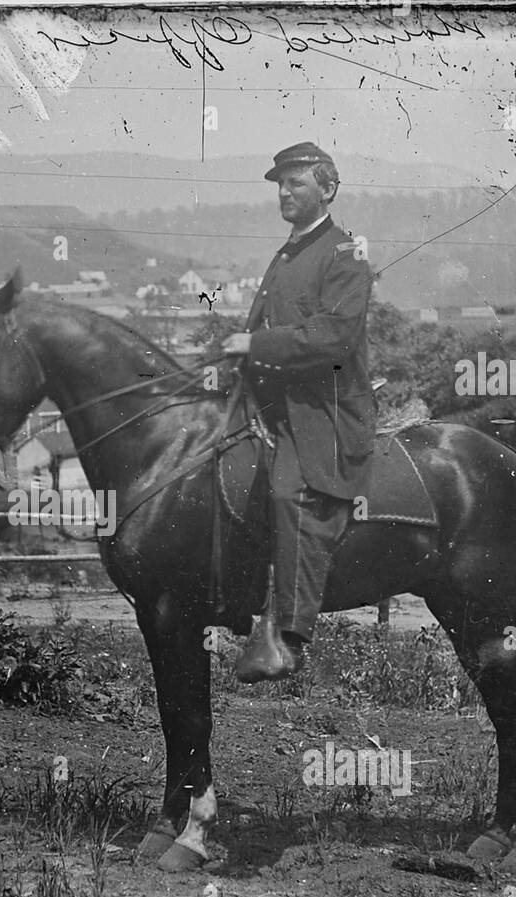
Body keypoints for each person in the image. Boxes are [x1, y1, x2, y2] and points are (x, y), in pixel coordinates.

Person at [222, 143, 377, 682]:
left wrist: (253, 346)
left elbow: (331, 338)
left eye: (297, 184)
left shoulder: (346, 253)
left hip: (325, 412)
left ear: (328, 189)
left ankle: (288, 639)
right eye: (280, 185)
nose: (285, 193)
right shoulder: (287, 253)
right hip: (274, 402)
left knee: (290, 492)